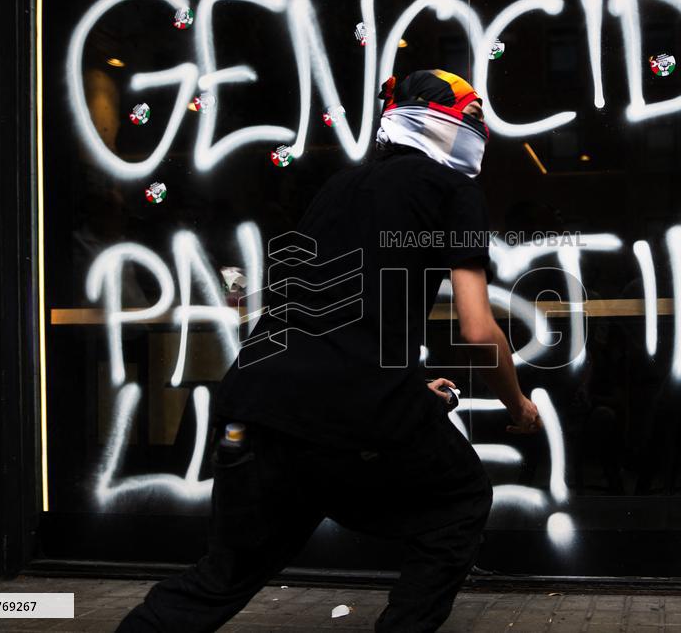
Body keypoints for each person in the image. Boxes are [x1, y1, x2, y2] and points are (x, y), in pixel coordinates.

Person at [118, 69, 541, 632]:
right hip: (350, 417)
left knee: (220, 579)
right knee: (459, 501)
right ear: (455, 123)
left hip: (256, 405)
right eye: (475, 118)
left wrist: (411, 388)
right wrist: (518, 407)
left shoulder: (340, 187)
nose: (481, 130)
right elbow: (477, 331)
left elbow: (335, 311)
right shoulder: (452, 192)